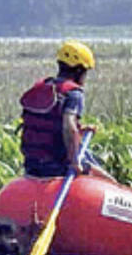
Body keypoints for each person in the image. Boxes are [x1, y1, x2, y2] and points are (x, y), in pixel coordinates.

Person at [20, 40, 110, 180]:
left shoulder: (45, 87)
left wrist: (80, 130)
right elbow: (69, 127)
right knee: (100, 173)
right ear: (79, 71)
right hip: (57, 166)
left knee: (87, 155)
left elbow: (49, 125)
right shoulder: (73, 94)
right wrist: (75, 163)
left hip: (31, 165)